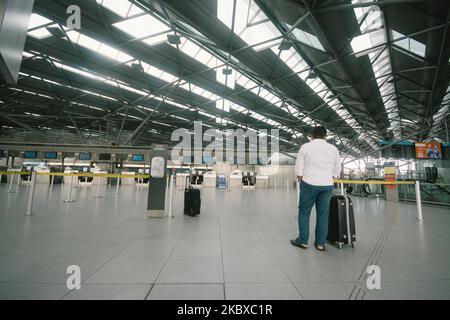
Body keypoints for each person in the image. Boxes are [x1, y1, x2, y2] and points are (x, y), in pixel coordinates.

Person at [291, 126, 341, 252]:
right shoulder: (333, 149)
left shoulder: (306, 146)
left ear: (312, 136)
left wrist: (299, 175)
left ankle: (303, 241)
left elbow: (299, 165)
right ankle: (320, 244)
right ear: (325, 136)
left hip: (309, 183)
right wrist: (331, 176)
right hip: (327, 185)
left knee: (304, 212)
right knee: (323, 215)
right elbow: (337, 169)